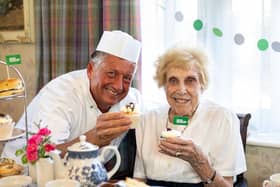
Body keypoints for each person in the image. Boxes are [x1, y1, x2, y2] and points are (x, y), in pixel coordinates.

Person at [2, 30, 142, 164]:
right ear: (91, 70)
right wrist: (94, 138)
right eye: (111, 73)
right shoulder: (60, 95)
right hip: (25, 176)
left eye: (127, 78)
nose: (118, 86)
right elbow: (45, 157)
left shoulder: (131, 100)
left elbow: (158, 113)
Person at [134, 45, 246, 187]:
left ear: (202, 85)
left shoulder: (223, 119)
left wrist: (199, 162)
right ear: (164, 85)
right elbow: (138, 181)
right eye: (173, 81)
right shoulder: (148, 120)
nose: (181, 90)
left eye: (190, 81)